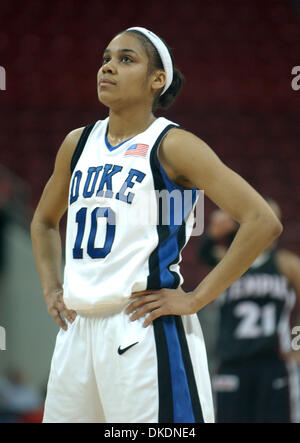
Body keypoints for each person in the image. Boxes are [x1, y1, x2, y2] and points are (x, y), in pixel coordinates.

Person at [30, 26, 282, 423]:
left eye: (125, 59)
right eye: (106, 59)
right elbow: (44, 221)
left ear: (157, 80)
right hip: (77, 333)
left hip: (144, 329)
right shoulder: (76, 143)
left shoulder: (173, 144)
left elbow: (261, 221)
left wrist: (196, 299)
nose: (108, 67)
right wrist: (51, 287)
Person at [198, 200, 300, 423]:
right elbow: (202, 255)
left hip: (272, 362)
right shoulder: (228, 260)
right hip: (232, 360)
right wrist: (214, 235)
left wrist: (297, 344)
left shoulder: (287, 264)